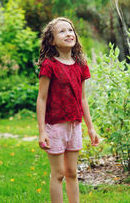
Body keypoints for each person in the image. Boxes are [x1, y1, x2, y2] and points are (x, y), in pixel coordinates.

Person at [36, 17, 99, 203]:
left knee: (72, 172)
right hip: (55, 127)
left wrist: (90, 127)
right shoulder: (49, 65)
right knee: (58, 173)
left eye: (70, 30)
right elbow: (42, 98)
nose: (68, 34)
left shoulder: (80, 64)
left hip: (74, 126)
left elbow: (83, 98)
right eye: (62, 31)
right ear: (52, 41)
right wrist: (42, 132)